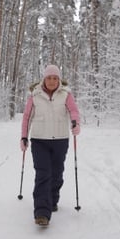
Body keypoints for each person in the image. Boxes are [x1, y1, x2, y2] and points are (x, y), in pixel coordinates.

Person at [20, 64, 81, 226]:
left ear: (59, 80)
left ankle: (52, 199)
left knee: (56, 174)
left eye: (55, 78)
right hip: (39, 140)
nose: (52, 81)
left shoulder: (66, 95)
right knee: (43, 174)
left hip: (60, 140)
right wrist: (24, 137)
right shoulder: (35, 96)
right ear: (44, 79)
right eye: (49, 78)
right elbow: (27, 117)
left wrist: (75, 123)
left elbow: (73, 111)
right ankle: (41, 212)